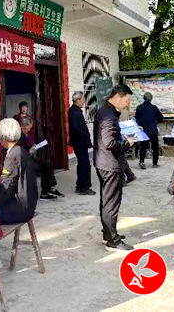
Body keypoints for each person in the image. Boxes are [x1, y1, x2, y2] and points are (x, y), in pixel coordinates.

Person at [94, 85, 136, 251]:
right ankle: (113, 241)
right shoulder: (109, 116)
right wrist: (127, 143)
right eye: (126, 100)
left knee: (107, 201)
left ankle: (108, 234)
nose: (127, 104)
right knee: (111, 203)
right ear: (117, 96)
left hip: (103, 162)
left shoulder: (104, 111)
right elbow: (109, 143)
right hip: (110, 164)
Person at [0, 118, 40, 224]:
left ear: (3, 137)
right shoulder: (21, 151)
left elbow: (7, 185)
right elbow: (7, 174)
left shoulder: (11, 156)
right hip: (30, 205)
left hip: (20, 209)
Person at [18, 115, 62, 199]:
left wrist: (32, 147)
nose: (29, 130)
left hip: (29, 159)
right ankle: (46, 191)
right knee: (45, 166)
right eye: (28, 128)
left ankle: (49, 188)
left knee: (48, 164)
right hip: (24, 163)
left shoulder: (24, 134)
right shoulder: (19, 136)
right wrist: (30, 151)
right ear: (23, 126)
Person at [69, 91, 95, 195]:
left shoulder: (76, 110)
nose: (84, 102)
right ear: (78, 100)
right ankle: (84, 187)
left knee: (83, 164)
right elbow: (76, 129)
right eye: (83, 99)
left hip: (80, 142)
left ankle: (81, 185)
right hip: (79, 143)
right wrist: (85, 135)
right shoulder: (74, 111)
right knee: (84, 165)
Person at [134, 92, 164, 169]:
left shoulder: (139, 107)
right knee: (155, 147)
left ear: (143, 98)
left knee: (143, 146)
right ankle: (155, 163)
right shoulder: (154, 108)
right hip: (153, 130)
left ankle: (141, 161)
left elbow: (137, 118)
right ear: (151, 99)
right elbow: (161, 118)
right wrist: (155, 121)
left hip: (143, 130)